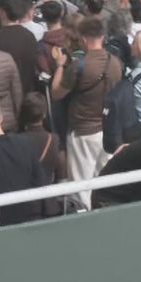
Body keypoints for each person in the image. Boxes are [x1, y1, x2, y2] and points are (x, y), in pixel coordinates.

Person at [50, 16, 122, 207]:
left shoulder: (79, 65)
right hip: (108, 130)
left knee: (81, 188)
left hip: (83, 132)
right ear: (103, 37)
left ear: (83, 39)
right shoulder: (116, 63)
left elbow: (56, 93)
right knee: (104, 183)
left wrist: (59, 65)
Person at [0, 96, 49, 226]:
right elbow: (40, 180)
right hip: (31, 216)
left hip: (1, 221)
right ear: (1, 118)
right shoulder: (25, 142)